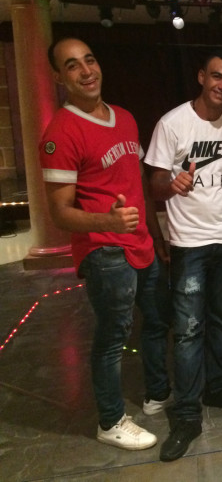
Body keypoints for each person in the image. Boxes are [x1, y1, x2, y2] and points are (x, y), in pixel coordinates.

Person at [39, 37, 170, 451]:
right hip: (105, 251)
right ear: (58, 77)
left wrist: (156, 233)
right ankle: (110, 420)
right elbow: (59, 213)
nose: (86, 71)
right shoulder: (60, 132)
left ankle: (157, 394)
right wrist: (108, 221)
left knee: (156, 321)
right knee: (113, 337)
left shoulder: (125, 118)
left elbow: (139, 182)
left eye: (90, 60)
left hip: (141, 241)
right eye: (72, 65)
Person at [145, 50, 222, 462]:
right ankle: (187, 413)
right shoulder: (172, 123)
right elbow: (155, 183)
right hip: (189, 242)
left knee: (221, 321)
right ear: (202, 76)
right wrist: (172, 183)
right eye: (217, 77)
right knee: (188, 330)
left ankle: (217, 387)